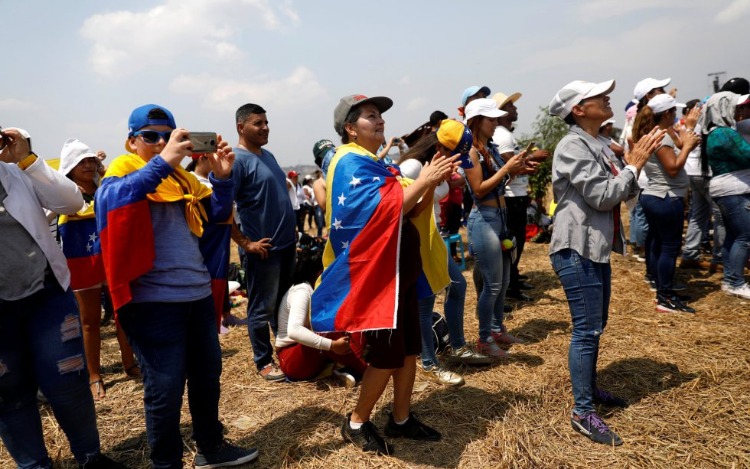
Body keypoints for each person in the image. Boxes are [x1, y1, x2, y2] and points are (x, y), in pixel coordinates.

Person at [95, 104, 257, 468]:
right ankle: (166, 464)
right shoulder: (122, 173)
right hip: (151, 301)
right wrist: (165, 161)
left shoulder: (181, 180)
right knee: (165, 389)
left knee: (206, 377)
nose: (160, 142)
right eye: (150, 136)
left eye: (168, 136)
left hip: (196, 294)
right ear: (131, 142)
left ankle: (210, 448)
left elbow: (216, 215)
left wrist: (223, 177)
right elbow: (115, 200)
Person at [312, 94, 456, 455]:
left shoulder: (376, 164)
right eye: (370, 116)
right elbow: (381, 213)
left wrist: (431, 179)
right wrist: (425, 180)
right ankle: (357, 421)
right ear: (350, 128)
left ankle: (401, 418)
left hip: (400, 274)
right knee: (387, 355)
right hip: (380, 278)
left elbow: (408, 211)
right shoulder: (349, 162)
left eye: (380, 116)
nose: (380, 121)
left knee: (409, 351)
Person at [548, 79, 666, 445]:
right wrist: (632, 167)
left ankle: (590, 390)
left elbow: (625, 190)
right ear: (579, 109)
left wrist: (632, 168)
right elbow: (602, 196)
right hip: (576, 246)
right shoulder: (572, 145)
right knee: (586, 328)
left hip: (593, 245)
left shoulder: (596, 142)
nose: (607, 98)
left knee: (596, 325)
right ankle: (583, 412)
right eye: (598, 96)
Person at [0, 127, 124, 468]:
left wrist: (26, 159)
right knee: (10, 394)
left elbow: (71, 201)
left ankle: (90, 457)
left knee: (68, 380)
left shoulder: (17, 173)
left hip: (46, 296)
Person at [398, 120, 493, 387]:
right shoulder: (413, 167)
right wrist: (429, 182)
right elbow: (404, 208)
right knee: (425, 299)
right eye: (455, 155)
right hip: (416, 239)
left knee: (458, 285)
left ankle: (458, 347)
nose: (457, 161)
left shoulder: (441, 163)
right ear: (439, 146)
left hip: (433, 235)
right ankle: (429, 363)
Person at [56, 138, 140, 400]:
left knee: (123, 314)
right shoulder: (63, 196)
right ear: (69, 166)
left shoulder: (105, 189)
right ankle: (94, 375)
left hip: (110, 259)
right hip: (81, 262)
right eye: (82, 161)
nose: (89, 165)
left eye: (91, 159)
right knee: (90, 322)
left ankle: (131, 363)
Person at [231, 103, 297, 381]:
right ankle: (263, 361)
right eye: (258, 123)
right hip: (263, 252)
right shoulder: (237, 160)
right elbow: (222, 210)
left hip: (285, 246)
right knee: (261, 308)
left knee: (283, 304)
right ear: (241, 127)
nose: (265, 127)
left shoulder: (267, 155)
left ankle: (287, 353)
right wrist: (246, 244)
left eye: (266, 122)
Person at [463, 98, 530, 358]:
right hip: (484, 219)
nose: (495, 123)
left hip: (499, 216)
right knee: (492, 285)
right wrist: (507, 170)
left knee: (502, 283)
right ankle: (483, 338)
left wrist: (517, 168)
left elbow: (499, 179)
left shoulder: (488, 147)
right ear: (477, 121)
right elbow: (479, 189)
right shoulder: (470, 151)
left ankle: (497, 328)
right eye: (491, 119)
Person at [632, 94, 701, 313]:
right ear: (668, 113)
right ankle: (665, 297)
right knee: (669, 248)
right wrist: (688, 146)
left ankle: (663, 288)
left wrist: (687, 131)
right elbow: (672, 168)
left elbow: (677, 144)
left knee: (659, 244)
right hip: (666, 197)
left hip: (655, 195)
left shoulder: (657, 133)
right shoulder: (661, 137)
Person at [275, 235, 367, 385]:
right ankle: (361, 368)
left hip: (312, 356)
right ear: (319, 273)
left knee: (351, 320)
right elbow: (294, 331)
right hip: (293, 359)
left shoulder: (314, 289)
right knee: (324, 329)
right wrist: (332, 345)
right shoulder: (302, 291)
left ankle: (347, 368)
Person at [492, 91, 550, 302]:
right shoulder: (503, 135)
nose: (515, 109)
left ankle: (513, 281)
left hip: (514, 195)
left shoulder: (503, 133)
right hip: (511, 196)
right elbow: (510, 164)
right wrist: (532, 159)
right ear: (501, 112)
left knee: (516, 241)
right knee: (513, 242)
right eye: (511, 106)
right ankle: (510, 288)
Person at [186, 153, 247, 332]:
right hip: (205, 240)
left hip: (220, 236)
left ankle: (224, 314)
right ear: (203, 159)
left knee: (221, 275)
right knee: (209, 278)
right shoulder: (191, 181)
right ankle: (212, 321)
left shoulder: (213, 180)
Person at [700, 91, 750, 299]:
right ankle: (736, 282)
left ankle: (731, 279)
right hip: (734, 190)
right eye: (735, 107)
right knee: (745, 236)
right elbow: (747, 155)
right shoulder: (724, 133)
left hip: (725, 189)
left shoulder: (714, 133)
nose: (738, 111)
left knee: (733, 236)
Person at [679, 99, 725, 272]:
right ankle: (719, 258)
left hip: (691, 172)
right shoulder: (708, 123)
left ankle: (690, 254)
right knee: (720, 217)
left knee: (698, 215)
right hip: (706, 173)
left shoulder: (688, 126)